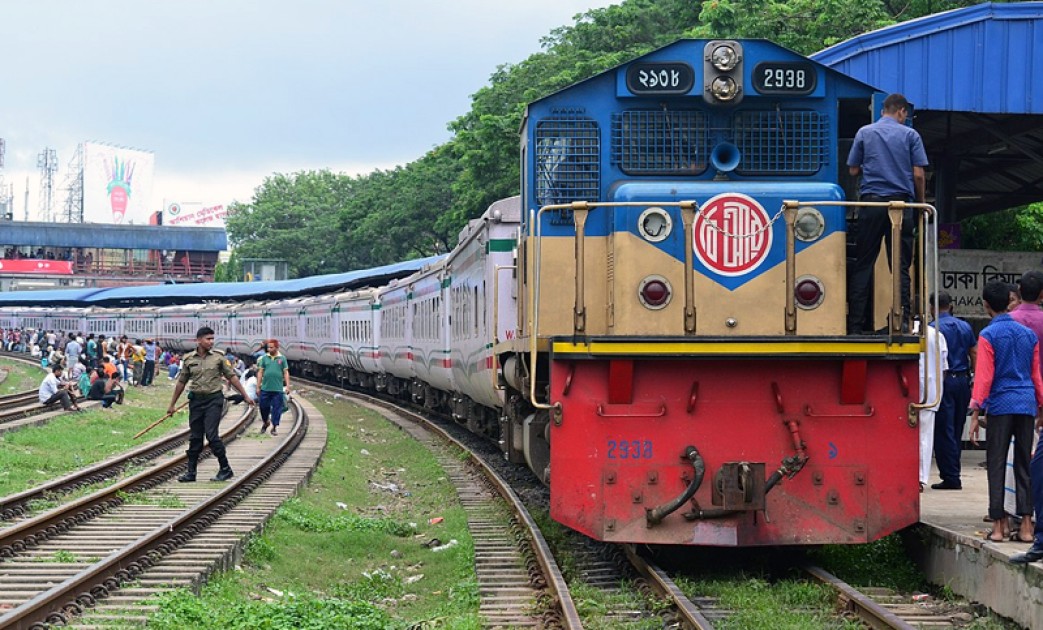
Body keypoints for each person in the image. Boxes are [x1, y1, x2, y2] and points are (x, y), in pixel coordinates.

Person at [846, 93, 929, 335]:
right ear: (902, 111)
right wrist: (921, 204)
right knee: (900, 266)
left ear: (884, 110)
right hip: (901, 207)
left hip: (871, 204)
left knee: (864, 263)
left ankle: (855, 325)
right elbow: (918, 175)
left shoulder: (864, 132)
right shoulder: (911, 135)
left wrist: (871, 167)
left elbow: (852, 170)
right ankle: (901, 321)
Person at [969, 281, 1043, 545]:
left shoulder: (989, 335)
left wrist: (976, 409)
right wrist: (1041, 406)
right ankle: (1026, 526)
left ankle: (999, 526)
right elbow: (1036, 375)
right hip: (1025, 403)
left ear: (986, 305)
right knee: (1024, 464)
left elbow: (985, 377)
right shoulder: (1028, 335)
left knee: (997, 464)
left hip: (1000, 404)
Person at [167, 326, 254, 483]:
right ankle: (191, 472)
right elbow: (181, 382)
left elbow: (232, 377)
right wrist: (172, 405)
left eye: (212, 339)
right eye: (208, 339)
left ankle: (225, 469)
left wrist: (245, 396)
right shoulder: (189, 359)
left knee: (212, 435)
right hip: (196, 401)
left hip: (214, 400)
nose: (211, 342)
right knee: (195, 437)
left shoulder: (218, 358)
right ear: (199, 340)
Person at [930, 292, 977, 490]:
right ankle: (953, 470)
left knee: (944, 430)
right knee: (957, 428)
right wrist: (974, 377)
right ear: (950, 305)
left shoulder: (932, 329)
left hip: (944, 381)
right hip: (963, 381)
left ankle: (951, 476)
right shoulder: (964, 326)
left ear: (932, 307)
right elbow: (973, 352)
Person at [919, 323, 948, 490]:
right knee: (925, 437)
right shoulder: (936, 335)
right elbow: (944, 367)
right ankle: (920, 478)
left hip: (908, 389)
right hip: (930, 391)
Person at [256, 339, 290, 436]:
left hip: (277, 389)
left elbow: (286, 372)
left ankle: (274, 427)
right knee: (263, 407)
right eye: (268, 347)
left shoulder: (282, 359)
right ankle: (266, 421)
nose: (269, 349)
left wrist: (287, 386)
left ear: (277, 348)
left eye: (271, 347)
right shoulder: (264, 358)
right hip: (265, 388)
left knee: (277, 409)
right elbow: (260, 372)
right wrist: (258, 386)